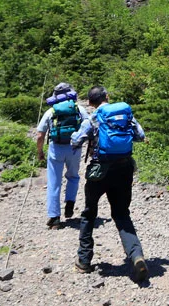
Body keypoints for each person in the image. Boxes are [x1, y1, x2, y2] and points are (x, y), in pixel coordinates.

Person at [71, 86, 149, 282]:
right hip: (124, 168)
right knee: (122, 214)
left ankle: (84, 260)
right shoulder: (126, 115)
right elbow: (140, 135)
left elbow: (76, 140)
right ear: (107, 97)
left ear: (90, 102)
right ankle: (136, 256)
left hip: (99, 171)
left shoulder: (94, 118)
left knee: (89, 213)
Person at [35, 82, 88, 229]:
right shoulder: (79, 109)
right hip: (74, 148)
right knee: (73, 176)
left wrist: (40, 152)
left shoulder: (51, 111)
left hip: (56, 148)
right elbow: (90, 127)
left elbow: (40, 135)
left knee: (54, 182)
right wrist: (89, 146)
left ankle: (55, 218)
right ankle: (70, 203)